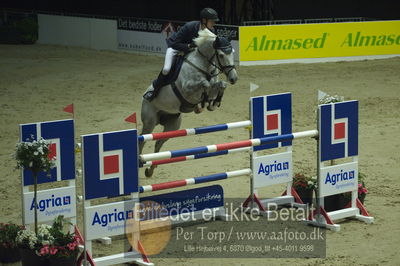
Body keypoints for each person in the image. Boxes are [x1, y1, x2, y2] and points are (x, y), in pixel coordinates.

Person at [143, 7, 219, 101]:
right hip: (176, 48)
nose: (214, 23)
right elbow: (175, 43)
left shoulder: (211, 31)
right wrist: (188, 46)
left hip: (191, 53)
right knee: (166, 69)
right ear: (204, 20)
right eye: (212, 21)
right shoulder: (190, 27)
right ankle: (154, 90)